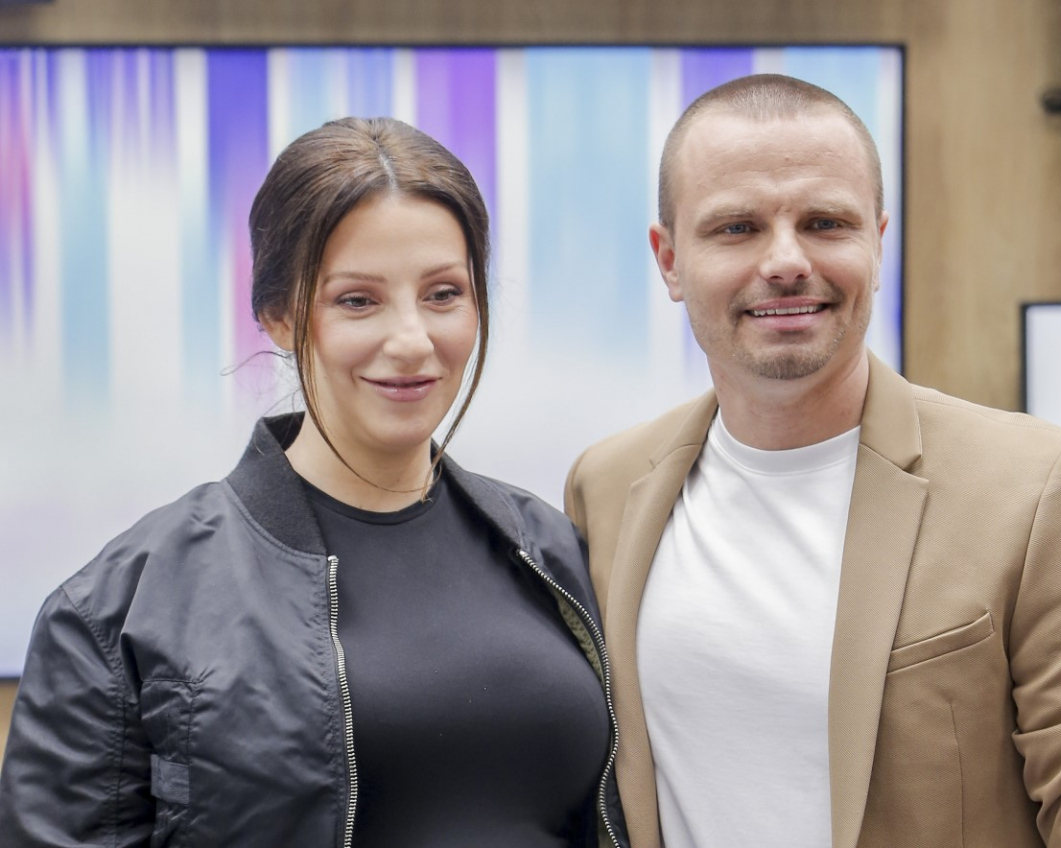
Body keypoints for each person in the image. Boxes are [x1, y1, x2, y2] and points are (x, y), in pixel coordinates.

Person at [564, 75, 1061, 848]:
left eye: (825, 223)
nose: (786, 261)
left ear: (877, 241)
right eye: (737, 228)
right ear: (669, 259)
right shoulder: (606, 487)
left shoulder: (1039, 491)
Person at [0, 117, 626, 848]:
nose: (412, 340)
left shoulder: (551, 551)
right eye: (358, 300)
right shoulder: (119, 608)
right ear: (278, 316)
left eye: (443, 293)